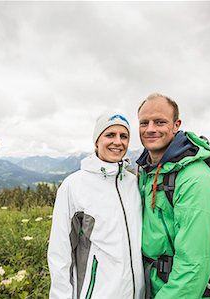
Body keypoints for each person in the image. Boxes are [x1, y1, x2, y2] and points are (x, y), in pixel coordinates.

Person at [47, 112, 145, 299]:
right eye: (110, 135)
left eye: (123, 136)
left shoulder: (133, 184)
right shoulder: (74, 186)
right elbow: (60, 253)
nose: (118, 142)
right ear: (96, 141)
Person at [136, 93, 210, 298]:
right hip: (149, 283)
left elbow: (194, 264)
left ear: (176, 125)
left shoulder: (196, 179)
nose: (150, 129)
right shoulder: (146, 171)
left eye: (160, 122)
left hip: (176, 290)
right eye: (144, 123)